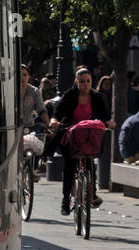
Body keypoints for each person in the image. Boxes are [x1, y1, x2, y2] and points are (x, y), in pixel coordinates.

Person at [49, 67, 115, 216]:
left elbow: (105, 116)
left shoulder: (97, 97)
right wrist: (54, 121)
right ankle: (65, 200)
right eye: (82, 81)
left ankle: (92, 194)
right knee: (70, 166)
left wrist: (109, 122)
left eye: (88, 81)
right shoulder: (70, 96)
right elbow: (57, 113)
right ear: (76, 82)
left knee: (91, 162)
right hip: (71, 134)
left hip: (89, 134)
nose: (85, 84)